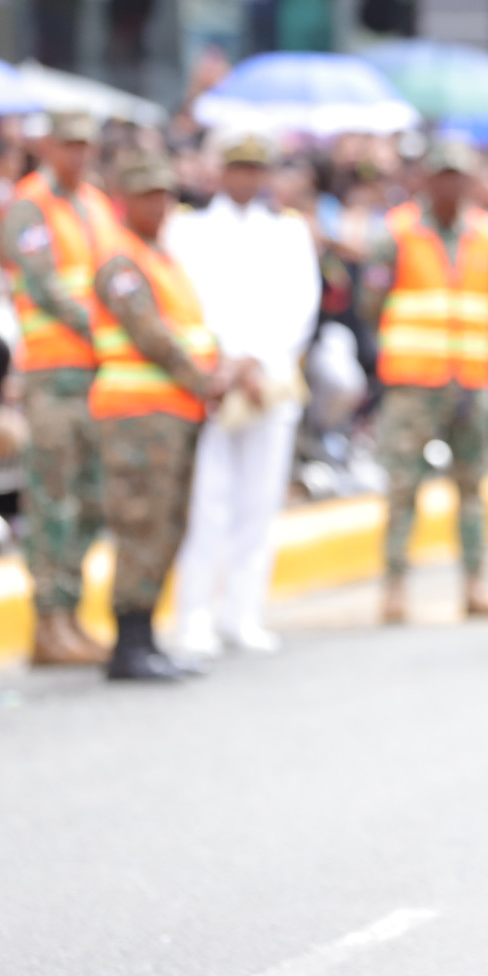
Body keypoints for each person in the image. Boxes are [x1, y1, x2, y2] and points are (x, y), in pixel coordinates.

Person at [166, 132, 321, 656]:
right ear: (222, 172)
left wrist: (258, 360)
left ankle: (242, 612)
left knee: (259, 502)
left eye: (256, 169)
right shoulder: (188, 229)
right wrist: (228, 362)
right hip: (214, 378)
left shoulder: (288, 231)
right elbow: (186, 301)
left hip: (269, 380)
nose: (247, 178)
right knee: (206, 502)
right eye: (239, 168)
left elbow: (300, 305)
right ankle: (195, 615)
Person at [90, 148, 232, 681]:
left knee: (167, 524)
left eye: (164, 195)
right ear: (124, 199)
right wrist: (205, 379)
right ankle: (129, 644)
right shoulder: (121, 261)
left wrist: (216, 369)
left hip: (174, 412)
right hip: (138, 414)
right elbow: (151, 335)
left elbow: (191, 330)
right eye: (147, 195)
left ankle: (146, 637)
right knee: (140, 524)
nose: (159, 205)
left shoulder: (161, 258)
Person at [359, 143, 488, 624]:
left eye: (458, 176)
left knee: (473, 487)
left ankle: (475, 583)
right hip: (413, 381)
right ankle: (394, 587)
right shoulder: (397, 233)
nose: (451, 185)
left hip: (472, 379)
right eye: (443, 175)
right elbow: (370, 303)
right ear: (426, 180)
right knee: (402, 487)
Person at [0, 113, 118, 666]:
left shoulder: (96, 204)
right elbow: (43, 284)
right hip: (53, 372)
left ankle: (70, 614)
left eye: (85, 145)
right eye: (69, 144)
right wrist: (107, 331)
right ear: (47, 146)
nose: (79, 154)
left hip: (98, 372)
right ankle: (48, 621)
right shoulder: (29, 204)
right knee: (53, 497)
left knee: (91, 497)